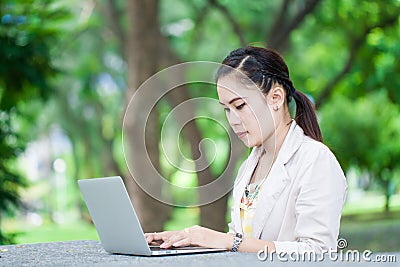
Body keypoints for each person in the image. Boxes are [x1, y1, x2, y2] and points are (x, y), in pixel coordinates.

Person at [145, 46, 347, 254]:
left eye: (239, 106)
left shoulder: (315, 160)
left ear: (276, 98)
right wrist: (189, 239)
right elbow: (239, 245)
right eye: (226, 109)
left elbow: (318, 252)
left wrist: (227, 241)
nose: (233, 120)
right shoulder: (249, 168)